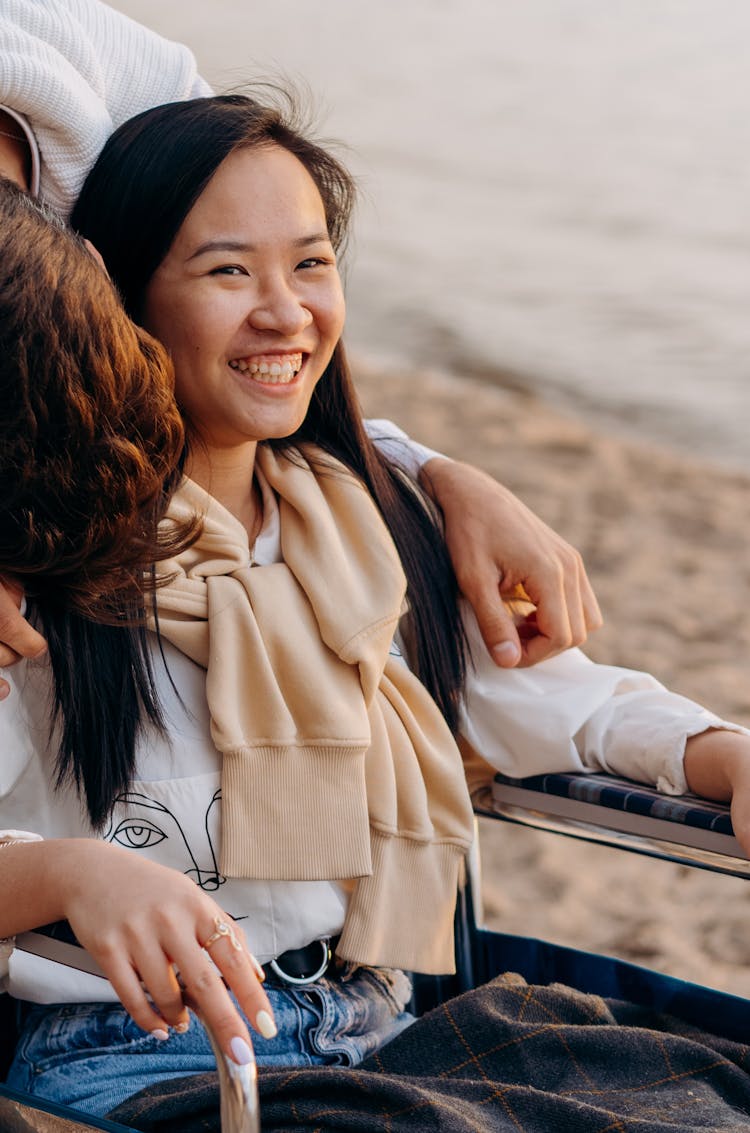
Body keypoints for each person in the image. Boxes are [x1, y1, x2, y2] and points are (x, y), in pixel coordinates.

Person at [2, 94, 749, 1124]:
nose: (285, 313)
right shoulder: (48, 566)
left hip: (380, 1021)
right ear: (123, 298)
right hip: (143, 1056)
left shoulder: (370, 529)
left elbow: (575, 710)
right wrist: (64, 874)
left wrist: (726, 754)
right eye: (228, 271)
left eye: (311, 264)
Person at [0, 0, 602, 691]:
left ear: (101, 276)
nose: (286, 310)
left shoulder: (97, 66)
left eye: (317, 267)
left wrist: (428, 477)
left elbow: (255, 204)